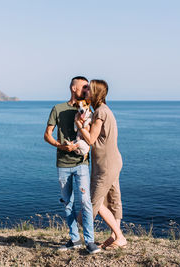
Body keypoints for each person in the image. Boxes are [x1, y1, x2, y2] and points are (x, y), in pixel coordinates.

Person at [44, 76, 101, 254]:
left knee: (85, 202)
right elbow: (47, 135)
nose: (87, 89)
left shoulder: (88, 108)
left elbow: (91, 135)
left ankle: (90, 241)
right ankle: (74, 238)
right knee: (68, 203)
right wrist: (61, 146)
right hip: (62, 163)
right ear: (74, 88)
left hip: (82, 163)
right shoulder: (58, 109)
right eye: (84, 87)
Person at [75, 79, 127, 249]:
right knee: (113, 199)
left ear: (96, 93)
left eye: (89, 89)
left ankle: (119, 236)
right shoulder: (105, 110)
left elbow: (90, 139)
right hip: (112, 161)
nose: (85, 92)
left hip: (105, 164)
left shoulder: (100, 113)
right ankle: (114, 237)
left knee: (93, 201)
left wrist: (78, 124)